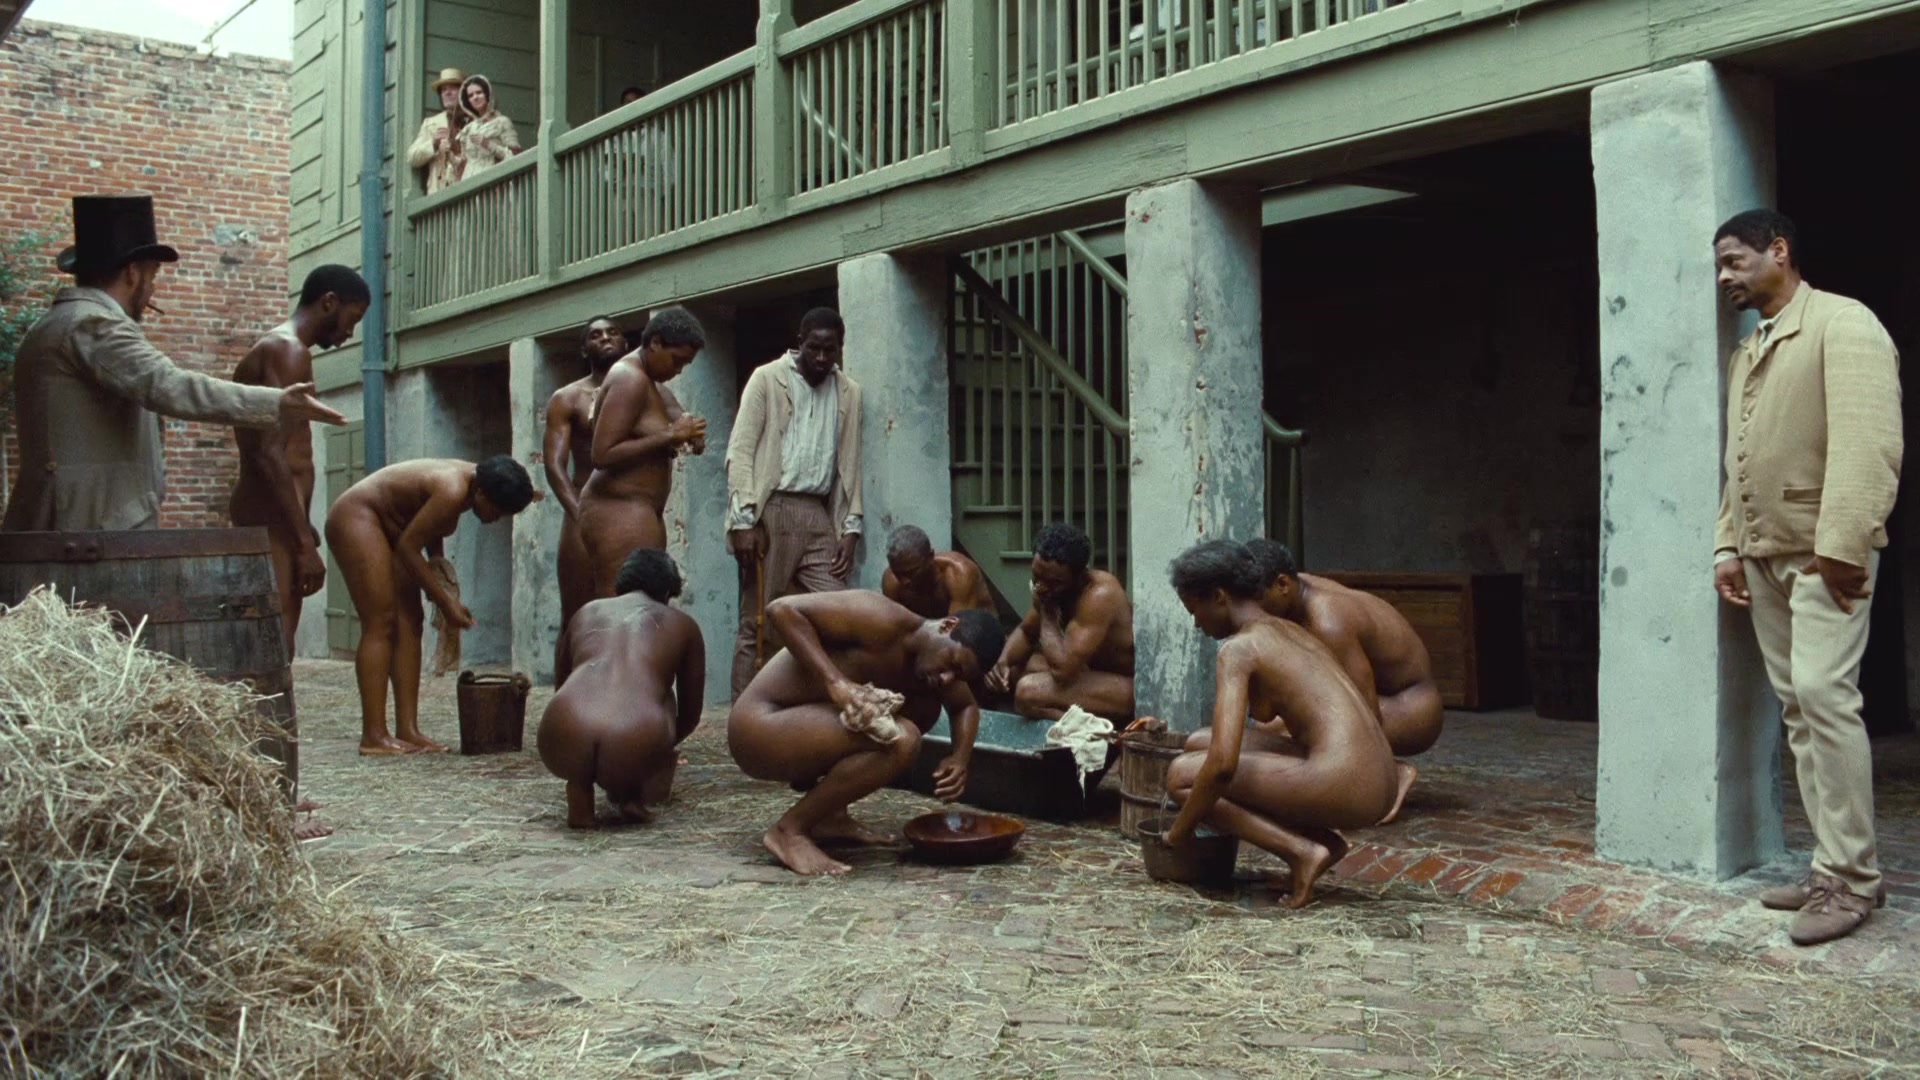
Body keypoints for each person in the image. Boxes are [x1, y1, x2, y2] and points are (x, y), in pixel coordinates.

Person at [1711, 209, 1903, 947]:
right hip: (1764, 555)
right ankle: (1831, 868)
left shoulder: (1843, 324)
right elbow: (1737, 458)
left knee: (1825, 697)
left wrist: (1845, 545)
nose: (1724, 277)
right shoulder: (1750, 349)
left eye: (1735, 261)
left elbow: (1869, 441)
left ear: (1780, 251)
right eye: (1720, 266)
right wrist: (1727, 546)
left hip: (1827, 555)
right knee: (1798, 708)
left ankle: (1853, 881)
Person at [4, 195, 345, 533]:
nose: (152, 290)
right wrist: (277, 402)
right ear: (133, 273)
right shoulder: (93, 324)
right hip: (87, 534)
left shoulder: (60, 322)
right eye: (153, 276)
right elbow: (169, 385)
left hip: (78, 531)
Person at [1160, 540, 1396, 909]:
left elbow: (1222, 766)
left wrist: (1177, 835)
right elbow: (1266, 711)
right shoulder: (1288, 630)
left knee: (1180, 777)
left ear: (1219, 597)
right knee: (1197, 743)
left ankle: (1301, 851)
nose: (1196, 624)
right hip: (1381, 780)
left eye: (1195, 610)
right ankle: (1325, 843)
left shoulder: (1239, 649)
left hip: (1351, 784)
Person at [728, 590, 1005, 876]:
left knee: (921, 711)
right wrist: (836, 683)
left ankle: (829, 817)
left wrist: (960, 758)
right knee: (902, 738)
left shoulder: (935, 669)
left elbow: (965, 707)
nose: (948, 679)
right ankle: (788, 832)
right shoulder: (881, 618)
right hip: (758, 726)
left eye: (959, 676)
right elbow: (781, 610)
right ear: (947, 626)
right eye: (953, 665)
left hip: (803, 729)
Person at [323, 456, 537, 756]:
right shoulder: (452, 488)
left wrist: (438, 568)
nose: (496, 519)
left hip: (394, 529)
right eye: (497, 511)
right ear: (481, 493)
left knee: (411, 621)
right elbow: (409, 548)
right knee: (381, 621)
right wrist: (446, 601)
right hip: (357, 517)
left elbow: (429, 525)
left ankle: (408, 730)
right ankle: (373, 735)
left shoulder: (477, 481)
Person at [1243, 538, 1441, 825]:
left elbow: (1367, 711)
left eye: (1255, 603)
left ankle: (1391, 775)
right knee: (1272, 727)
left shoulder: (1328, 621)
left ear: (1282, 585)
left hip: (1410, 708)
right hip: (1384, 700)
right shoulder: (1296, 590)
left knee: (1298, 727)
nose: (1251, 612)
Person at [725, 307, 864, 696]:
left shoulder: (849, 391)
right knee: (758, 619)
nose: (821, 357)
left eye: (830, 349)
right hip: (772, 508)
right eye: (814, 347)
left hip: (818, 512)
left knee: (840, 611)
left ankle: (812, 702)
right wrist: (743, 521)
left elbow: (851, 463)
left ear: (840, 348)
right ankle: (744, 714)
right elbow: (740, 451)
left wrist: (851, 528)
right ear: (799, 343)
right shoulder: (767, 378)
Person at [230, 264, 370, 648]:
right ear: (329, 302)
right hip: (270, 514)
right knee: (274, 642)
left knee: (276, 638)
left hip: (278, 514)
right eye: (353, 318)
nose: (350, 332)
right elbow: (268, 453)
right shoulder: (287, 351)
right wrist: (304, 543)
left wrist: (303, 526)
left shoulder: (285, 350)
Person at [539, 548, 705, 828]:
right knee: (659, 696)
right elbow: (690, 714)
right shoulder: (683, 624)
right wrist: (653, 750)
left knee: (588, 691)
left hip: (560, 733)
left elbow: (562, 682)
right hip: (635, 738)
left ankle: (579, 792)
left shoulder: (587, 611)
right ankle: (629, 787)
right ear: (667, 593)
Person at [577, 307, 707, 597]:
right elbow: (602, 454)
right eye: (676, 360)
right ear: (655, 343)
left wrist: (690, 434)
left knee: (648, 603)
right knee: (624, 604)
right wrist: (670, 435)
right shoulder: (629, 378)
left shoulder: (653, 384)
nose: (678, 370)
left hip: (642, 509)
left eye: (685, 364)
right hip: (618, 507)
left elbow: (677, 421)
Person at [985, 523, 1135, 721]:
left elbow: (1062, 671)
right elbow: (1027, 632)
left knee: (1027, 692)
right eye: (1037, 577)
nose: (1042, 586)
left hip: (1126, 688)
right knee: (1014, 669)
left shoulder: (1100, 595)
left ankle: (1100, 732)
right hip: (1088, 674)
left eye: (1055, 582)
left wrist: (1047, 613)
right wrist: (1002, 663)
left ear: (1079, 576)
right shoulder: (1054, 589)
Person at [544, 316, 628, 661]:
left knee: (628, 614)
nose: (605, 338)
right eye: (595, 335)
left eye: (612, 333)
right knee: (577, 615)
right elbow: (554, 465)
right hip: (584, 507)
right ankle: (567, 690)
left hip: (631, 513)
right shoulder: (568, 398)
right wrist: (580, 514)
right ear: (584, 349)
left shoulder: (644, 391)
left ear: (625, 343)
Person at [881, 525, 997, 619]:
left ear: (931, 557)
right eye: (898, 573)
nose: (904, 581)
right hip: (930, 636)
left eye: (911, 573)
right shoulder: (892, 582)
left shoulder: (959, 574)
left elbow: (960, 631)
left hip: (978, 635)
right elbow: (895, 628)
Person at [405, 67, 468, 194]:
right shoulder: (432, 124)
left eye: (453, 88)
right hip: (442, 192)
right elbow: (412, 157)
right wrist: (433, 144)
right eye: (443, 90)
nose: (447, 93)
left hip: (470, 188)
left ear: (463, 93)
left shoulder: (474, 122)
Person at [452, 74, 521, 182]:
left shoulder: (502, 122)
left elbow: (516, 158)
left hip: (492, 182)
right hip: (468, 181)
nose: (475, 97)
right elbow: (463, 162)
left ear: (488, 94)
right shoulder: (469, 128)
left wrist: (488, 144)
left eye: (479, 92)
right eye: (471, 95)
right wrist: (448, 155)